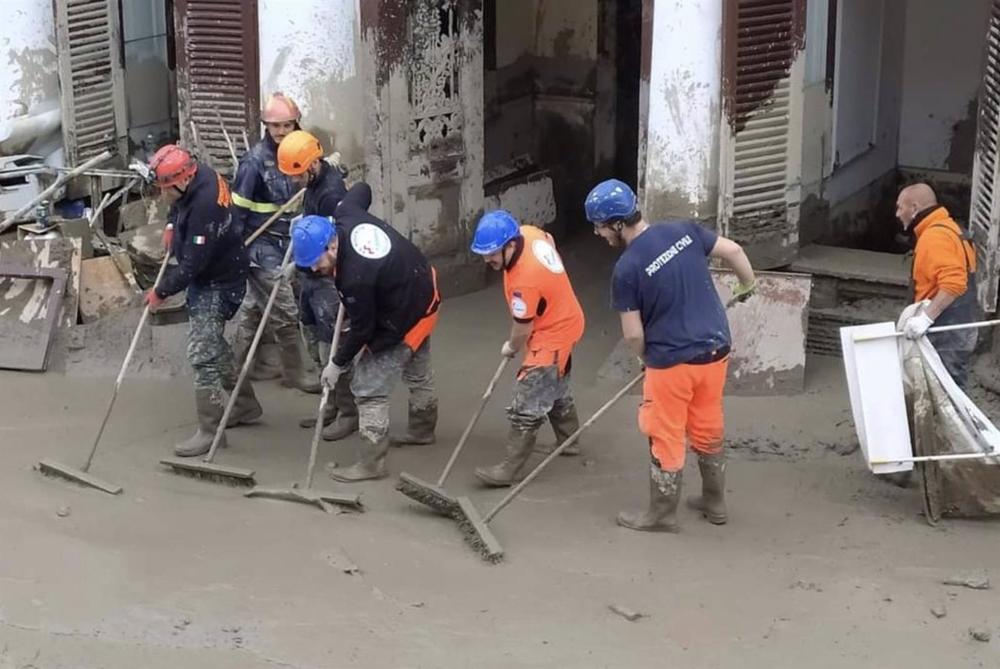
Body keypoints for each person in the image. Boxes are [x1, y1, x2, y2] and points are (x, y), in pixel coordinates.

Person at [585, 179, 756, 532]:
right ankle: (715, 501)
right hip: (716, 348)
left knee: (664, 431)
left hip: (673, 361)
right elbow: (735, 251)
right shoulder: (683, 230)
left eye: (600, 227)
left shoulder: (627, 269)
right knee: (707, 422)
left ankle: (661, 513)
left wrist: (645, 359)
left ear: (617, 224)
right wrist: (747, 285)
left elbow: (633, 334)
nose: (599, 235)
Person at [290, 182, 440, 482]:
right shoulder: (345, 212)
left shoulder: (355, 278)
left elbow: (363, 330)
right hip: (425, 287)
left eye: (316, 264)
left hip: (404, 314)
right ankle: (423, 430)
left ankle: (372, 463)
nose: (315, 271)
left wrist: (337, 363)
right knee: (418, 371)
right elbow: (363, 188)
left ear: (332, 247)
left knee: (368, 386)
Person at [145, 144, 261, 457]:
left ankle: (211, 431)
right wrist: (171, 224)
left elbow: (191, 267)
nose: (163, 194)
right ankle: (245, 405)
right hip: (215, 270)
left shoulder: (205, 207)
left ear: (183, 180)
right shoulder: (200, 174)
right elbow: (177, 204)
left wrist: (161, 292)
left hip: (218, 282)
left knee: (201, 353)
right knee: (213, 345)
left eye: (166, 188)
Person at [468, 210, 585, 487]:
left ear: (510, 245)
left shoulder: (525, 280)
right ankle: (569, 441)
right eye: (484, 254)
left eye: (493, 254)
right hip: (567, 318)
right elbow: (550, 240)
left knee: (529, 397)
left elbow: (522, 328)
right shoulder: (530, 233)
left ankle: (510, 469)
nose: (488, 260)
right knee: (555, 384)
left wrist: (511, 347)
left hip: (552, 333)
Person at [230, 93, 318, 393]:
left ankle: (237, 366)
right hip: (260, 245)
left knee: (254, 307)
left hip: (290, 240)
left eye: (287, 125)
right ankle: (295, 373)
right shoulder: (253, 163)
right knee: (285, 310)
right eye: (275, 126)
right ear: (266, 126)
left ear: (296, 123)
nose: (281, 132)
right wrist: (236, 250)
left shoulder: (301, 150)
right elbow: (237, 212)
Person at [278, 129, 358, 441]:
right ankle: (332, 404)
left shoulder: (331, 193)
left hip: (325, 279)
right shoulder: (314, 182)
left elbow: (332, 245)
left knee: (331, 347)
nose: (293, 182)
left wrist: (297, 264)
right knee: (312, 339)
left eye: (297, 175)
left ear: (312, 166)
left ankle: (349, 411)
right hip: (308, 276)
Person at [895, 183, 978, 388]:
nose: (897, 214)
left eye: (900, 207)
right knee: (949, 389)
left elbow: (954, 283)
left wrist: (926, 318)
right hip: (957, 326)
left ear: (914, 208)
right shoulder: (949, 228)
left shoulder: (935, 236)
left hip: (946, 330)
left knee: (947, 394)